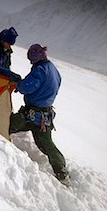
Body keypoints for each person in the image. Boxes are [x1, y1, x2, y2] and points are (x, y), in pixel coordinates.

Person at [10, 44, 69, 185]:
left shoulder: (40, 69)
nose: (31, 62)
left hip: (33, 114)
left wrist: (19, 85)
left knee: (9, 125)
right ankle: (61, 170)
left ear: (36, 57)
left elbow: (28, 86)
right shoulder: (54, 69)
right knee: (46, 143)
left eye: (31, 59)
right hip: (45, 115)